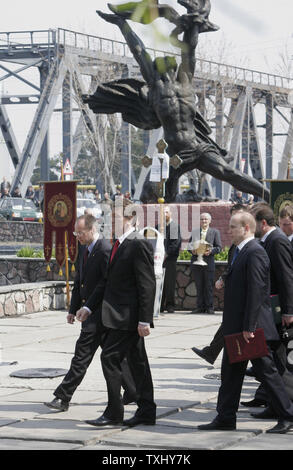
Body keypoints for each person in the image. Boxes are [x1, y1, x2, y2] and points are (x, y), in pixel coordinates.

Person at [84, 3, 270, 203]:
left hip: (196, 147)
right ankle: (175, 218)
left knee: (228, 172)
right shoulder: (156, 87)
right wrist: (122, 25)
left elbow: (190, 48)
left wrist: (194, 25)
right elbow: (139, 51)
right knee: (150, 194)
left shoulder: (186, 83)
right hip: (173, 154)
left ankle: (270, 196)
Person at [198, 211, 293, 434]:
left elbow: (257, 292)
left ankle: (287, 416)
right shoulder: (238, 251)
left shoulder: (255, 252)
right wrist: (224, 279)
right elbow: (237, 276)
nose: (228, 230)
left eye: (233, 227)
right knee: (230, 375)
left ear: (247, 228)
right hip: (236, 327)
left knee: (267, 373)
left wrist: (249, 327)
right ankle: (225, 417)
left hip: (251, 329)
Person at [77, 198, 157, 427]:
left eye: (115, 217)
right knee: (138, 362)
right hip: (119, 316)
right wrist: (88, 306)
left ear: (130, 218)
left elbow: (147, 285)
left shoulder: (137, 243)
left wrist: (144, 320)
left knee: (109, 357)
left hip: (129, 317)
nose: (110, 221)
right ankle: (147, 410)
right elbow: (106, 282)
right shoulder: (119, 243)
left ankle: (114, 412)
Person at [44, 214, 136, 412]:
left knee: (81, 356)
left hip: (100, 314)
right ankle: (133, 391)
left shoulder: (104, 250)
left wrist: (88, 308)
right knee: (115, 357)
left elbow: (106, 284)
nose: (77, 236)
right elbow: (80, 282)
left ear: (92, 230)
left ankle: (63, 397)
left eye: (80, 232)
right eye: (76, 232)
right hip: (90, 313)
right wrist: (72, 309)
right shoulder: (84, 249)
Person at [245, 203, 293, 415]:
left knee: (277, 359)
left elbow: (286, 278)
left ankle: (278, 406)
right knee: (271, 357)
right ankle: (269, 400)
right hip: (272, 309)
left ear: (263, 223)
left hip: (279, 310)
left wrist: (288, 311)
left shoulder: (277, 241)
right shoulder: (268, 240)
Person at [191, 204, 247, 363]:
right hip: (235, 290)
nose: (233, 225)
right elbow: (232, 264)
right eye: (232, 220)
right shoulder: (236, 244)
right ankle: (212, 352)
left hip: (245, 293)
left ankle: (263, 368)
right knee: (229, 325)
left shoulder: (251, 243)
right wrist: (224, 278)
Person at [189, 212, 221, 314]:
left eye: (206, 219)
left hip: (208, 263)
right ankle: (200, 307)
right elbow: (189, 245)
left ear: (210, 221)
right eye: (202, 219)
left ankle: (209, 307)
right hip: (196, 262)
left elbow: (219, 248)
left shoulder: (215, 232)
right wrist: (192, 250)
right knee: (199, 286)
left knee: (208, 286)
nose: (204, 221)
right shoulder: (194, 232)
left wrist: (210, 251)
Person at [159, 206, 182, 313]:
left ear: (170, 213)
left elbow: (175, 244)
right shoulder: (158, 227)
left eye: (166, 212)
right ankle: (160, 305)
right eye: (162, 213)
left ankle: (170, 305)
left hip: (170, 259)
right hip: (159, 259)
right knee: (159, 283)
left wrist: (166, 254)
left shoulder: (174, 227)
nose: (164, 214)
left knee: (169, 283)